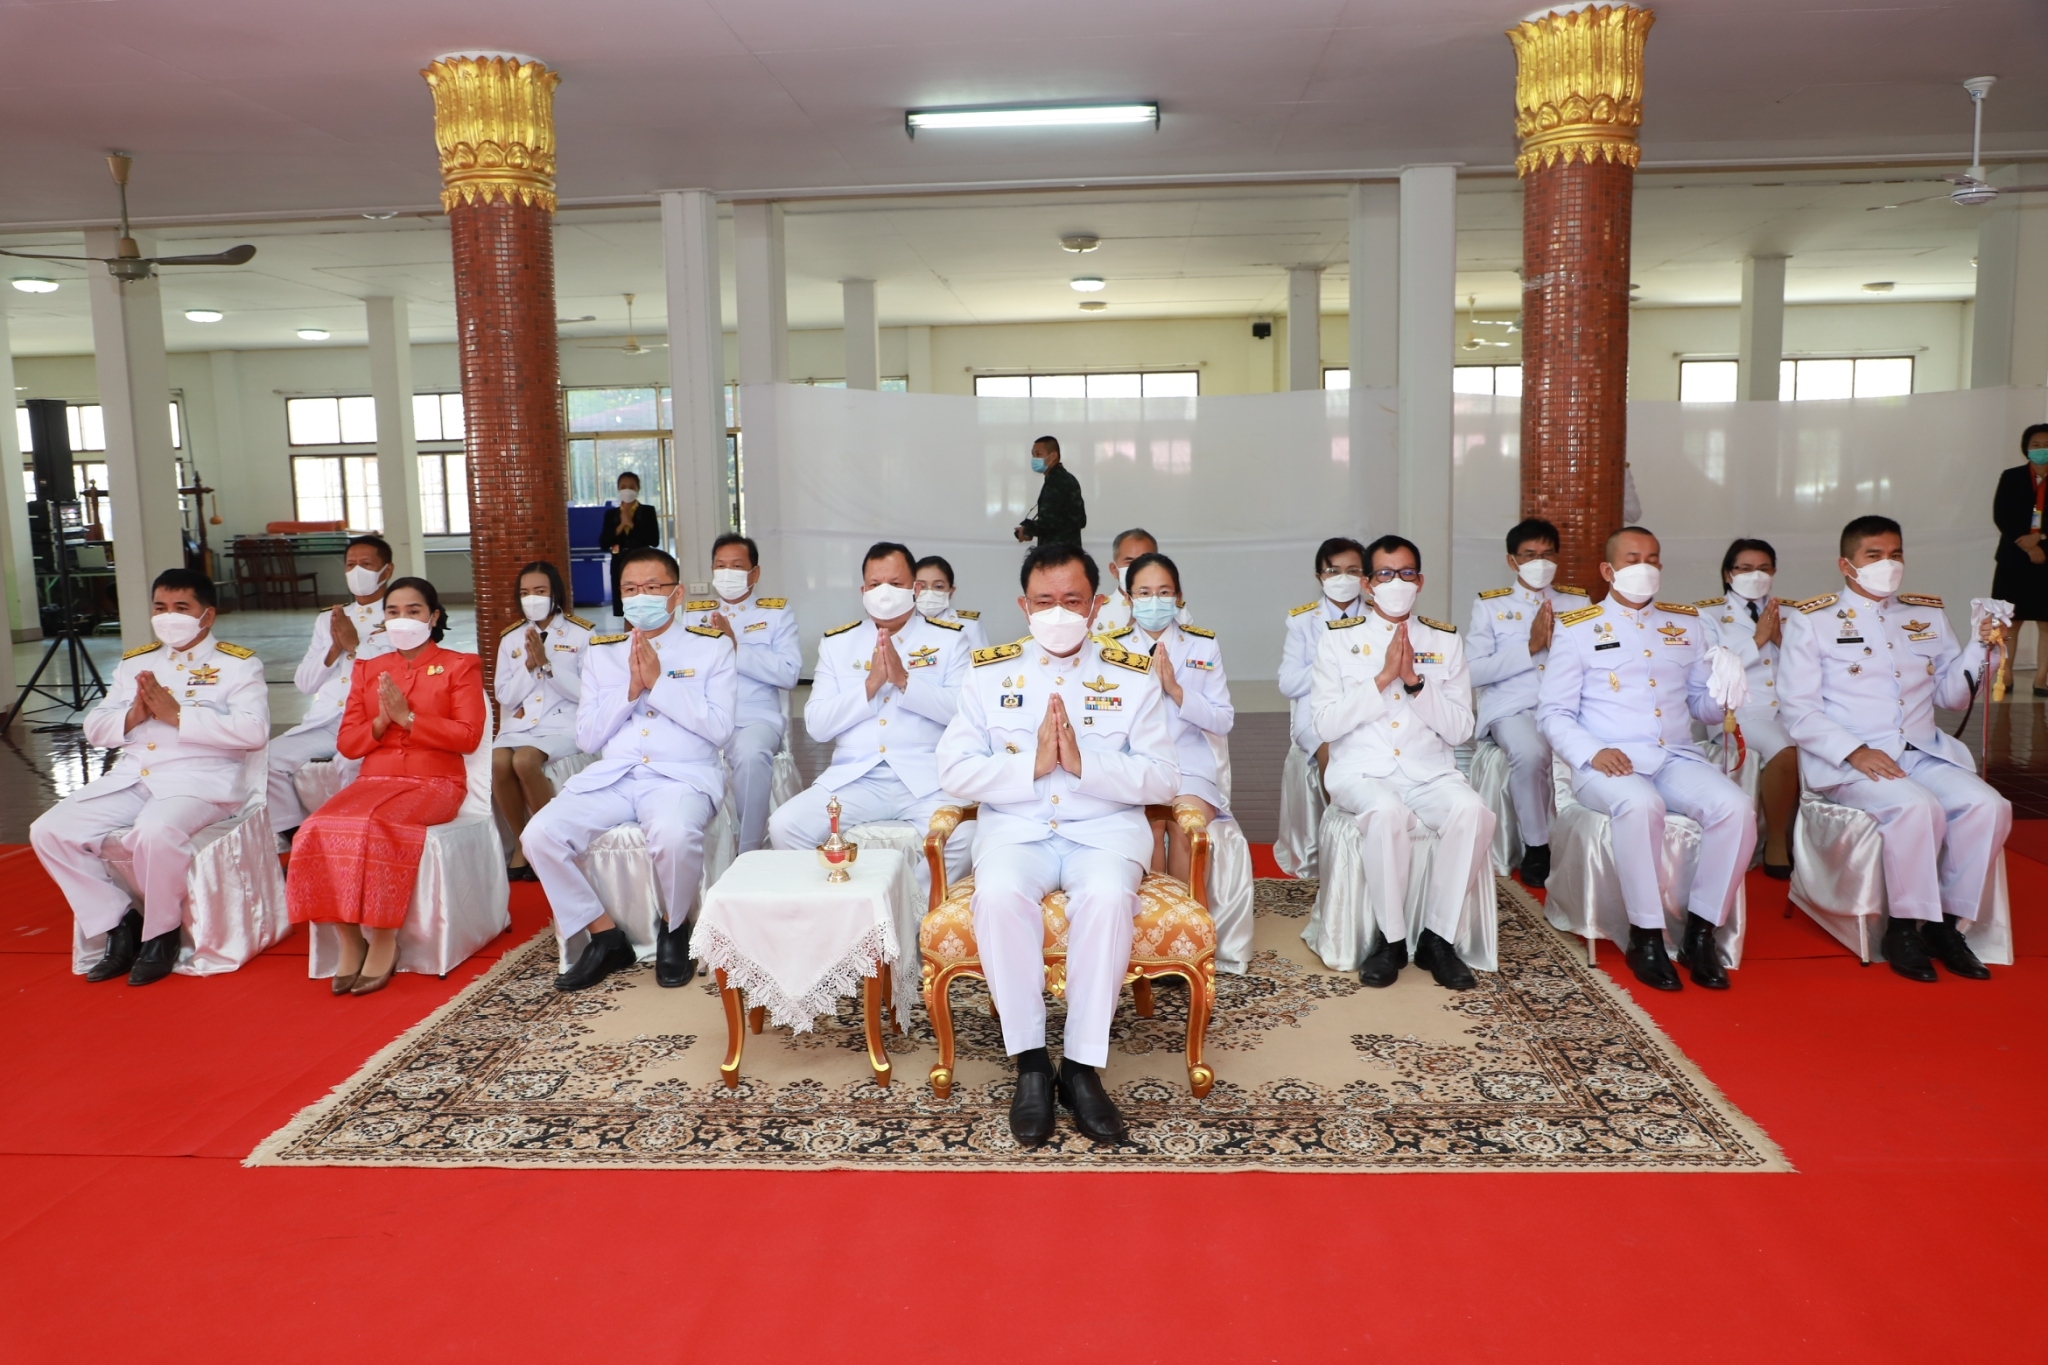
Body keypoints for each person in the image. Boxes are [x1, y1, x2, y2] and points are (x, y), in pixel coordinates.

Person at [936, 543, 1178, 1148]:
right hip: (1017, 829)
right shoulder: (989, 672)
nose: (1059, 613)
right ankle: (1032, 1065)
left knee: (1104, 897)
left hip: (1102, 831)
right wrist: (1033, 764)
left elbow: (1163, 776)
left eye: (1073, 600)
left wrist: (1082, 763)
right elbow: (954, 772)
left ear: (1098, 605)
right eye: (1045, 601)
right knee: (996, 893)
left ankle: (1082, 1066)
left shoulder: (1130, 673)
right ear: (1024, 605)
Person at [1779, 515, 2009, 983]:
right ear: (1847, 564)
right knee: (1915, 807)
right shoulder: (1813, 621)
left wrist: (1982, 647)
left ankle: (1946, 926)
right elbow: (1798, 711)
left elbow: (1951, 696)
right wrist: (1853, 751)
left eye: (1896, 553)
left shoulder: (1924, 615)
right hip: (1852, 763)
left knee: (1989, 806)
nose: (1889, 563)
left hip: (1923, 751)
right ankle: (1903, 928)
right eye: (1875, 555)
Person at [1537, 526, 1754, 992]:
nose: (1645, 567)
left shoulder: (1687, 625)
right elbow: (1552, 714)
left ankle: (1701, 933)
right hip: (1605, 763)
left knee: (1736, 809)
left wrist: (1724, 694)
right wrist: (1593, 751)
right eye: (1633, 558)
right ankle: (1646, 936)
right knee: (1641, 805)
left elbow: (1700, 707)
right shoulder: (1578, 629)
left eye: (1653, 559)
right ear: (1608, 570)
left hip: (1674, 756)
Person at [31, 569, 267, 987]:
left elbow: (254, 731)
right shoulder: (137, 662)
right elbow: (96, 728)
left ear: (206, 615)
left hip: (200, 780)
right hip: (135, 777)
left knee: (154, 832)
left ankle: (161, 933)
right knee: (50, 829)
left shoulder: (236, 665)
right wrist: (134, 714)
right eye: (160, 607)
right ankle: (118, 922)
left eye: (181, 608)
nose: (168, 616)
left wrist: (178, 716)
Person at [523, 548, 736, 993]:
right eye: (630, 589)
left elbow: (719, 729)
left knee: (674, 836)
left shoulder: (710, 647)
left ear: (676, 594)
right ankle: (603, 935)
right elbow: (586, 739)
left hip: (680, 776)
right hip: (615, 777)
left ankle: (674, 926)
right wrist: (629, 691)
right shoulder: (603, 653)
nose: (641, 596)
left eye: (653, 588)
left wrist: (658, 686)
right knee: (537, 835)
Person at [286, 577, 485, 996]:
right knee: (316, 827)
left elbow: (467, 735)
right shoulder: (369, 669)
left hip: (435, 781)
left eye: (413, 611)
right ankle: (348, 938)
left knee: (374, 826)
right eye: (393, 612)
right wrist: (380, 724)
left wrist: (410, 720)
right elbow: (348, 743)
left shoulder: (459, 665)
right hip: (375, 778)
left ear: (433, 617)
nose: (402, 619)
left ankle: (382, 938)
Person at [1311, 535, 1492, 991]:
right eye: (1386, 574)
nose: (1397, 582)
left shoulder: (1445, 641)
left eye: (1406, 573)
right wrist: (1382, 679)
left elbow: (1460, 730)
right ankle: (1390, 941)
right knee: (1386, 813)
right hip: (1362, 771)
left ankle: (1437, 939)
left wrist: (1414, 683)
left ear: (1420, 581)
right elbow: (1326, 724)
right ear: (1368, 584)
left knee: (1473, 812)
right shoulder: (1338, 642)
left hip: (1428, 771)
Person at [768, 542, 974, 902]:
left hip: (926, 779)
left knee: (964, 837)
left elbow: (965, 712)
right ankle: (846, 915)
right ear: (862, 591)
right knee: (785, 827)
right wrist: (870, 686)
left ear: (915, 588)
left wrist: (905, 681)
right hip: (855, 779)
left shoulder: (949, 640)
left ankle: (915, 917)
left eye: (895, 583)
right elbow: (817, 724)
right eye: (875, 584)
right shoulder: (838, 643)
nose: (884, 593)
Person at [1465, 518, 1588, 890]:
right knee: (1532, 755)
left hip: (1568, 704)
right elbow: (1473, 671)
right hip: (1512, 706)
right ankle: (1537, 845)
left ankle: (1588, 845)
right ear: (1512, 560)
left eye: (1548, 553)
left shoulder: (1579, 602)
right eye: (1530, 554)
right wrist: (1531, 646)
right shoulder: (1490, 606)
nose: (1540, 562)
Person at [265, 534, 396, 845]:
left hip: (371, 720)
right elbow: (305, 683)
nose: (357, 571)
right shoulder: (329, 618)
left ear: (387, 571)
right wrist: (333, 650)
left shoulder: (397, 616)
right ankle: (292, 832)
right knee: (266, 759)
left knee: (350, 762)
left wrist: (354, 646)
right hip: (326, 721)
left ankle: (356, 833)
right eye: (351, 565)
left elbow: (397, 674)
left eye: (366, 564)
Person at [1124, 551, 1234, 891]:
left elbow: (1222, 719)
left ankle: (1187, 922)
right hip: (1134, 761)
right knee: (1150, 827)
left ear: (1178, 596)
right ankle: (1156, 924)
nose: (1153, 601)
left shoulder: (1203, 644)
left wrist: (1175, 689)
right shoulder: (1109, 649)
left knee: (1185, 826)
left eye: (1163, 592)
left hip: (1189, 762)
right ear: (1129, 599)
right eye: (1143, 593)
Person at [683, 534, 798, 854]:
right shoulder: (694, 614)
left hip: (754, 717)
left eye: (736, 566)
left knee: (750, 755)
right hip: (704, 715)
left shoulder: (775, 613)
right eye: (720, 566)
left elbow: (789, 673)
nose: (727, 573)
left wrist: (736, 648)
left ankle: (747, 850)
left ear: (755, 573)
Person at [1696, 539, 1802, 878]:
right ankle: (1774, 842)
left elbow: (1814, 668)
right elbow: (1711, 670)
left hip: (1791, 709)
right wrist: (1758, 638)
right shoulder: (1707, 615)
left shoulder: (1796, 613)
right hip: (1738, 712)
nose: (1754, 575)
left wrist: (1781, 640)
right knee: (1785, 751)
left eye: (1763, 568)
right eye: (1744, 568)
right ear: (1729, 574)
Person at [491, 561, 595, 881]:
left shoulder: (582, 634)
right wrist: (529, 666)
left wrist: (547, 666)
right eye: (525, 592)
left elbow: (588, 692)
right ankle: (524, 842)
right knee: (496, 761)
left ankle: (549, 841)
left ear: (555, 594)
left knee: (524, 761)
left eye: (540, 591)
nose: (532, 598)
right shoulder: (511, 638)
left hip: (564, 722)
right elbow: (505, 696)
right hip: (522, 723)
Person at [1279, 537, 1368, 791]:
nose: (1343, 578)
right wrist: (1331, 665)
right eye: (1333, 571)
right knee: (1331, 746)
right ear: (1320, 577)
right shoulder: (1302, 620)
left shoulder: (1378, 615)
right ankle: (1338, 821)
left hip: (1367, 703)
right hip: (1318, 707)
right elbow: (1288, 683)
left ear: (1365, 577)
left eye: (1353, 571)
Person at [1989, 423, 2048, 694]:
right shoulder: (2011, 477)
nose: (2041, 450)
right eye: (2036, 445)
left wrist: (2041, 538)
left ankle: (2041, 680)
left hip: (2047, 558)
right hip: (2014, 557)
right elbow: (2002, 515)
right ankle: (2006, 674)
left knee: (2046, 623)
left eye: (2046, 445)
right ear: (2026, 447)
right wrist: (2027, 544)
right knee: (2009, 621)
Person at [600, 471, 662, 620]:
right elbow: (603, 543)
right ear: (618, 489)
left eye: (631, 487)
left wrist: (632, 524)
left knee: (642, 604)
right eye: (623, 487)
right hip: (619, 564)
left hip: (642, 564)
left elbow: (654, 540)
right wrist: (621, 526)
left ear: (638, 489)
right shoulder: (611, 514)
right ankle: (629, 638)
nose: (627, 490)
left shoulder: (647, 511)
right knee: (624, 606)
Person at [1012, 435, 1086, 548]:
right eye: (1032, 454)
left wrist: (1027, 531)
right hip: (1069, 553)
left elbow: (1048, 522)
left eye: (1038, 454)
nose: (1034, 458)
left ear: (1053, 456)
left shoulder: (1055, 482)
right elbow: (1080, 520)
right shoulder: (1068, 478)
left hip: (1056, 554)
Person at [913, 554, 988, 650]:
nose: (929, 592)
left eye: (938, 586)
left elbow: (979, 663)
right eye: (922, 586)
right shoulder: (902, 623)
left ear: (951, 592)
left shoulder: (969, 624)